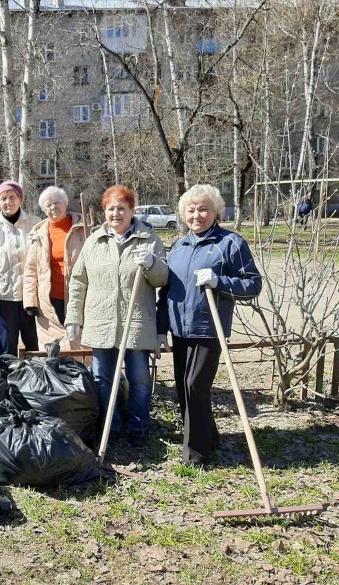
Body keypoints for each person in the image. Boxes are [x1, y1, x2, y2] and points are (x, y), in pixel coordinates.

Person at [159, 184, 262, 465]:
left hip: (209, 328)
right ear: (183, 214)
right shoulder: (179, 246)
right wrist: (160, 328)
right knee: (183, 387)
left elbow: (253, 284)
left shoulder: (230, 243)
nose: (197, 215)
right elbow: (167, 291)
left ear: (215, 211)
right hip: (179, 327)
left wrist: (220, 282)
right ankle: (210, 437)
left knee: (195, 386)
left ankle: (196, 454)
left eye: (203, 209)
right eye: (191, 210)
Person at [66, 186, 168, 447]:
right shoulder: (94, 242)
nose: (116, 213)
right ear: (105, 212)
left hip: (136, 322)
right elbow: (78, 283)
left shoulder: (149, 240)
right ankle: (111, 426)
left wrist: (151, 264)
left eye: (122, 208)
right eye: (111, 208)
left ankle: (138, 425)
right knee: (103, 378)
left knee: (139, 378)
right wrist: (73, 319)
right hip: (101, 322)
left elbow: (163, 279)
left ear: (132, 211)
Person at [23, 186, 87, 351]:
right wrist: (30, 301)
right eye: (48, 205)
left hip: (79, 297)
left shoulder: (83, 229)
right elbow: (30, 270)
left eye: (57, 203)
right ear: (44, 210)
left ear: (65, 204)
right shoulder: (39, 234)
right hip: (49, 300)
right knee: (53, 348)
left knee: (80, 343)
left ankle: (80, 374)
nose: (53, 208)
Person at [0, 181, 40, 356]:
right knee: (7, 345)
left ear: (20, 199)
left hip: (31, 294)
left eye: (12, 197)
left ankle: (36, 380)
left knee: (34, 343)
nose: (8, 202)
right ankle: (9, 379)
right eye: (3, 198)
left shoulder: (35, 223)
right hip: (5, 295)